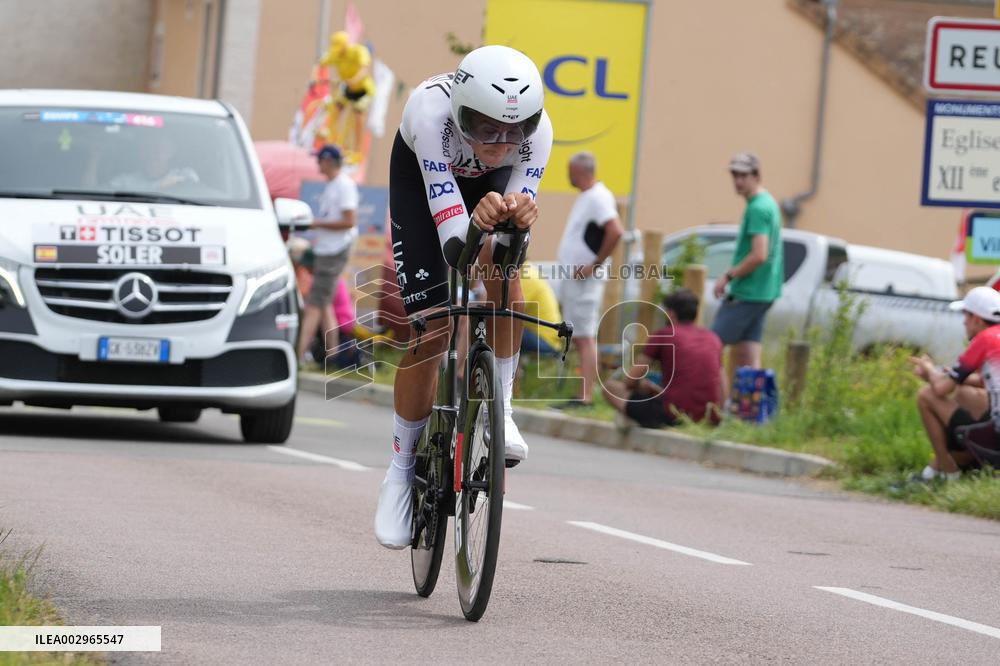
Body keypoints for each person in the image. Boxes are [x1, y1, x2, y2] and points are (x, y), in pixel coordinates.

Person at [373, 45, 552, 549]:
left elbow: (510, 244)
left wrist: (518, 219)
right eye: (484, 126)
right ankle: (400, 472)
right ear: (459, 111)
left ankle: (504, 409)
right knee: (432, 328)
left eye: (513, 131)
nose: (499, 143)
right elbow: (455, 245)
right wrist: (475, 223)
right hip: (426, 186)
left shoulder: (538, 135)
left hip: (491, 194)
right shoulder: (429, 114)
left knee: (506, 270)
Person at [907, 286, 1000, 482]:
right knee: (963, 392)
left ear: (976, 318)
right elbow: (985, 382)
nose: (964, 322)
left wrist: (929, 370)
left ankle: (949, 471)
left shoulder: (984, 339)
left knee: (927, 395)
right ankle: (943, 465)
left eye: (965, 315)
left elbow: (941, 389)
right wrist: (945, 375)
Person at [554, 151, 623, 408]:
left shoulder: (599, 197)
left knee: (584, 336)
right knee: (580, 335)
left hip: (585, 281)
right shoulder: (589, 196)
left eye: (570, 171)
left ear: (579, 171)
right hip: (577, 278)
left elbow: (616, 231)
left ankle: (585, 397)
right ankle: (581, 393)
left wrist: (594, 265)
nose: (568, 176)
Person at [712, 152, 783, 394]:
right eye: (735, 175)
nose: (738, 181)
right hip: (765, 292)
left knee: (711, 347)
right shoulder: (768, 203)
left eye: (743, 175)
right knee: (748, 353)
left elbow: (759, 254)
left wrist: (728, 276)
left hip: (749, 291)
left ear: (757, 176)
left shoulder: (757, 208)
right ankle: (751, 409)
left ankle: (718, 404)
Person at [602, 289, 723, 428]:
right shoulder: (713, 338)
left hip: (672, 415)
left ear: (671, 313)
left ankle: (635, 421)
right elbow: (722, 383)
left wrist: (642, 386)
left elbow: (631, 380)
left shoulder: (663, 335)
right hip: (709, 417)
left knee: (610, 388)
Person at [296, 144, 358, 364]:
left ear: (329, 161)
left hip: (334, 250)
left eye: (320, 160)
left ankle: (297, 356)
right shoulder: (335, 184)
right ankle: (332, 354)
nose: (317, 164)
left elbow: (349, 221)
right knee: (323, 303)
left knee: (314, 304)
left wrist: (316, 223)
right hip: (328, 249)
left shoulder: (344, 185)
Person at [321, 31, 376, 160]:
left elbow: (364, 69)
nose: (338, 52)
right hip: (348, 89)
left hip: (363, 90)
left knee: (358, 116)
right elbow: (322, 62)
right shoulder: (336, 55)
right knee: (336, 109)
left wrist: (354, 80)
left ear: (345, 45)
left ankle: (357, 151)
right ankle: (336, 143)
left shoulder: (358, 51)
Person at [109, 132, 198, 191]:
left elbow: (196, 191)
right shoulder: (125, 181)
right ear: (142, 152)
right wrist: (160, 187)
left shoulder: (184, 175)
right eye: (150, 148)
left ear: (171, 152)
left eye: (161, 148)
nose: (156, 153)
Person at [519, 261, 562, 357]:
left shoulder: (525, 276)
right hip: (548, 338)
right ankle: (511, 370)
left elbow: (512, 308)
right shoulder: (528, 270)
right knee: (509, 329)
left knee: (504, 331)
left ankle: (507, 370)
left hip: (545, 340)